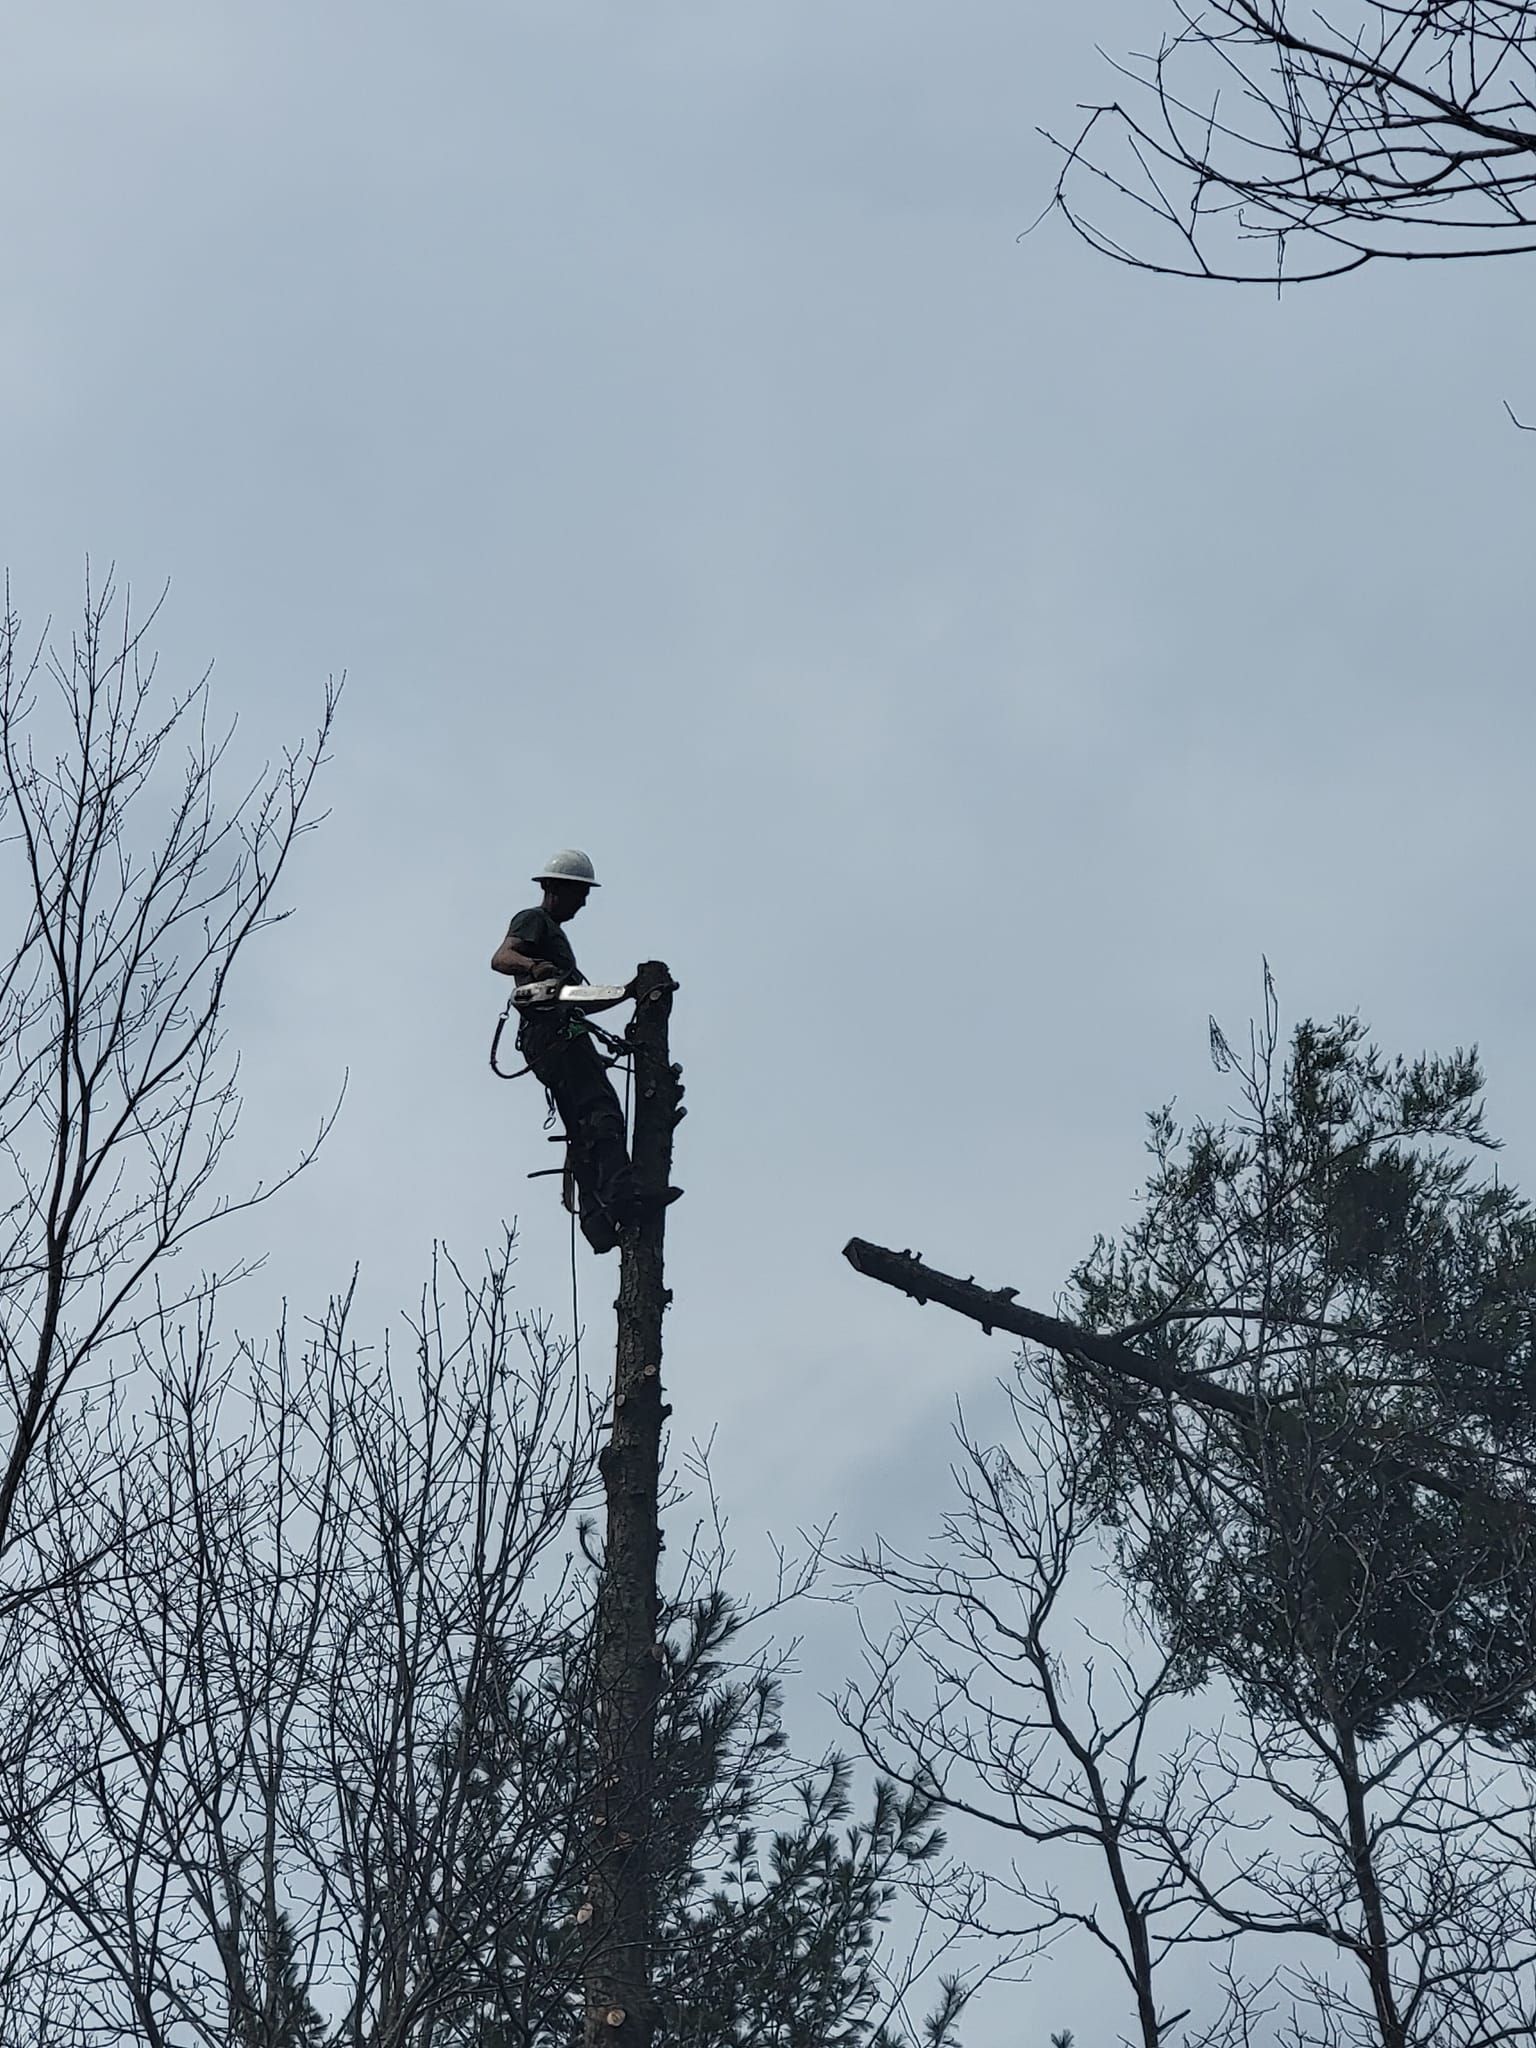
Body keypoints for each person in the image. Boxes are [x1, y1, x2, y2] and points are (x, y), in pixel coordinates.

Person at [492, 849, 641, 1255]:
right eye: (579, 894)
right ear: (556, 889)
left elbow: (577, 1000)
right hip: (553, 1035)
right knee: (601, 1112)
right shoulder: (533, 919)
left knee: (584, 1127)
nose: (583, 902)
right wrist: (534, 966)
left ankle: (597, 1219)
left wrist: (628, 992)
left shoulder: (553, 936)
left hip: (557, 1033)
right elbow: (501, 958)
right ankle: (622, 1196)